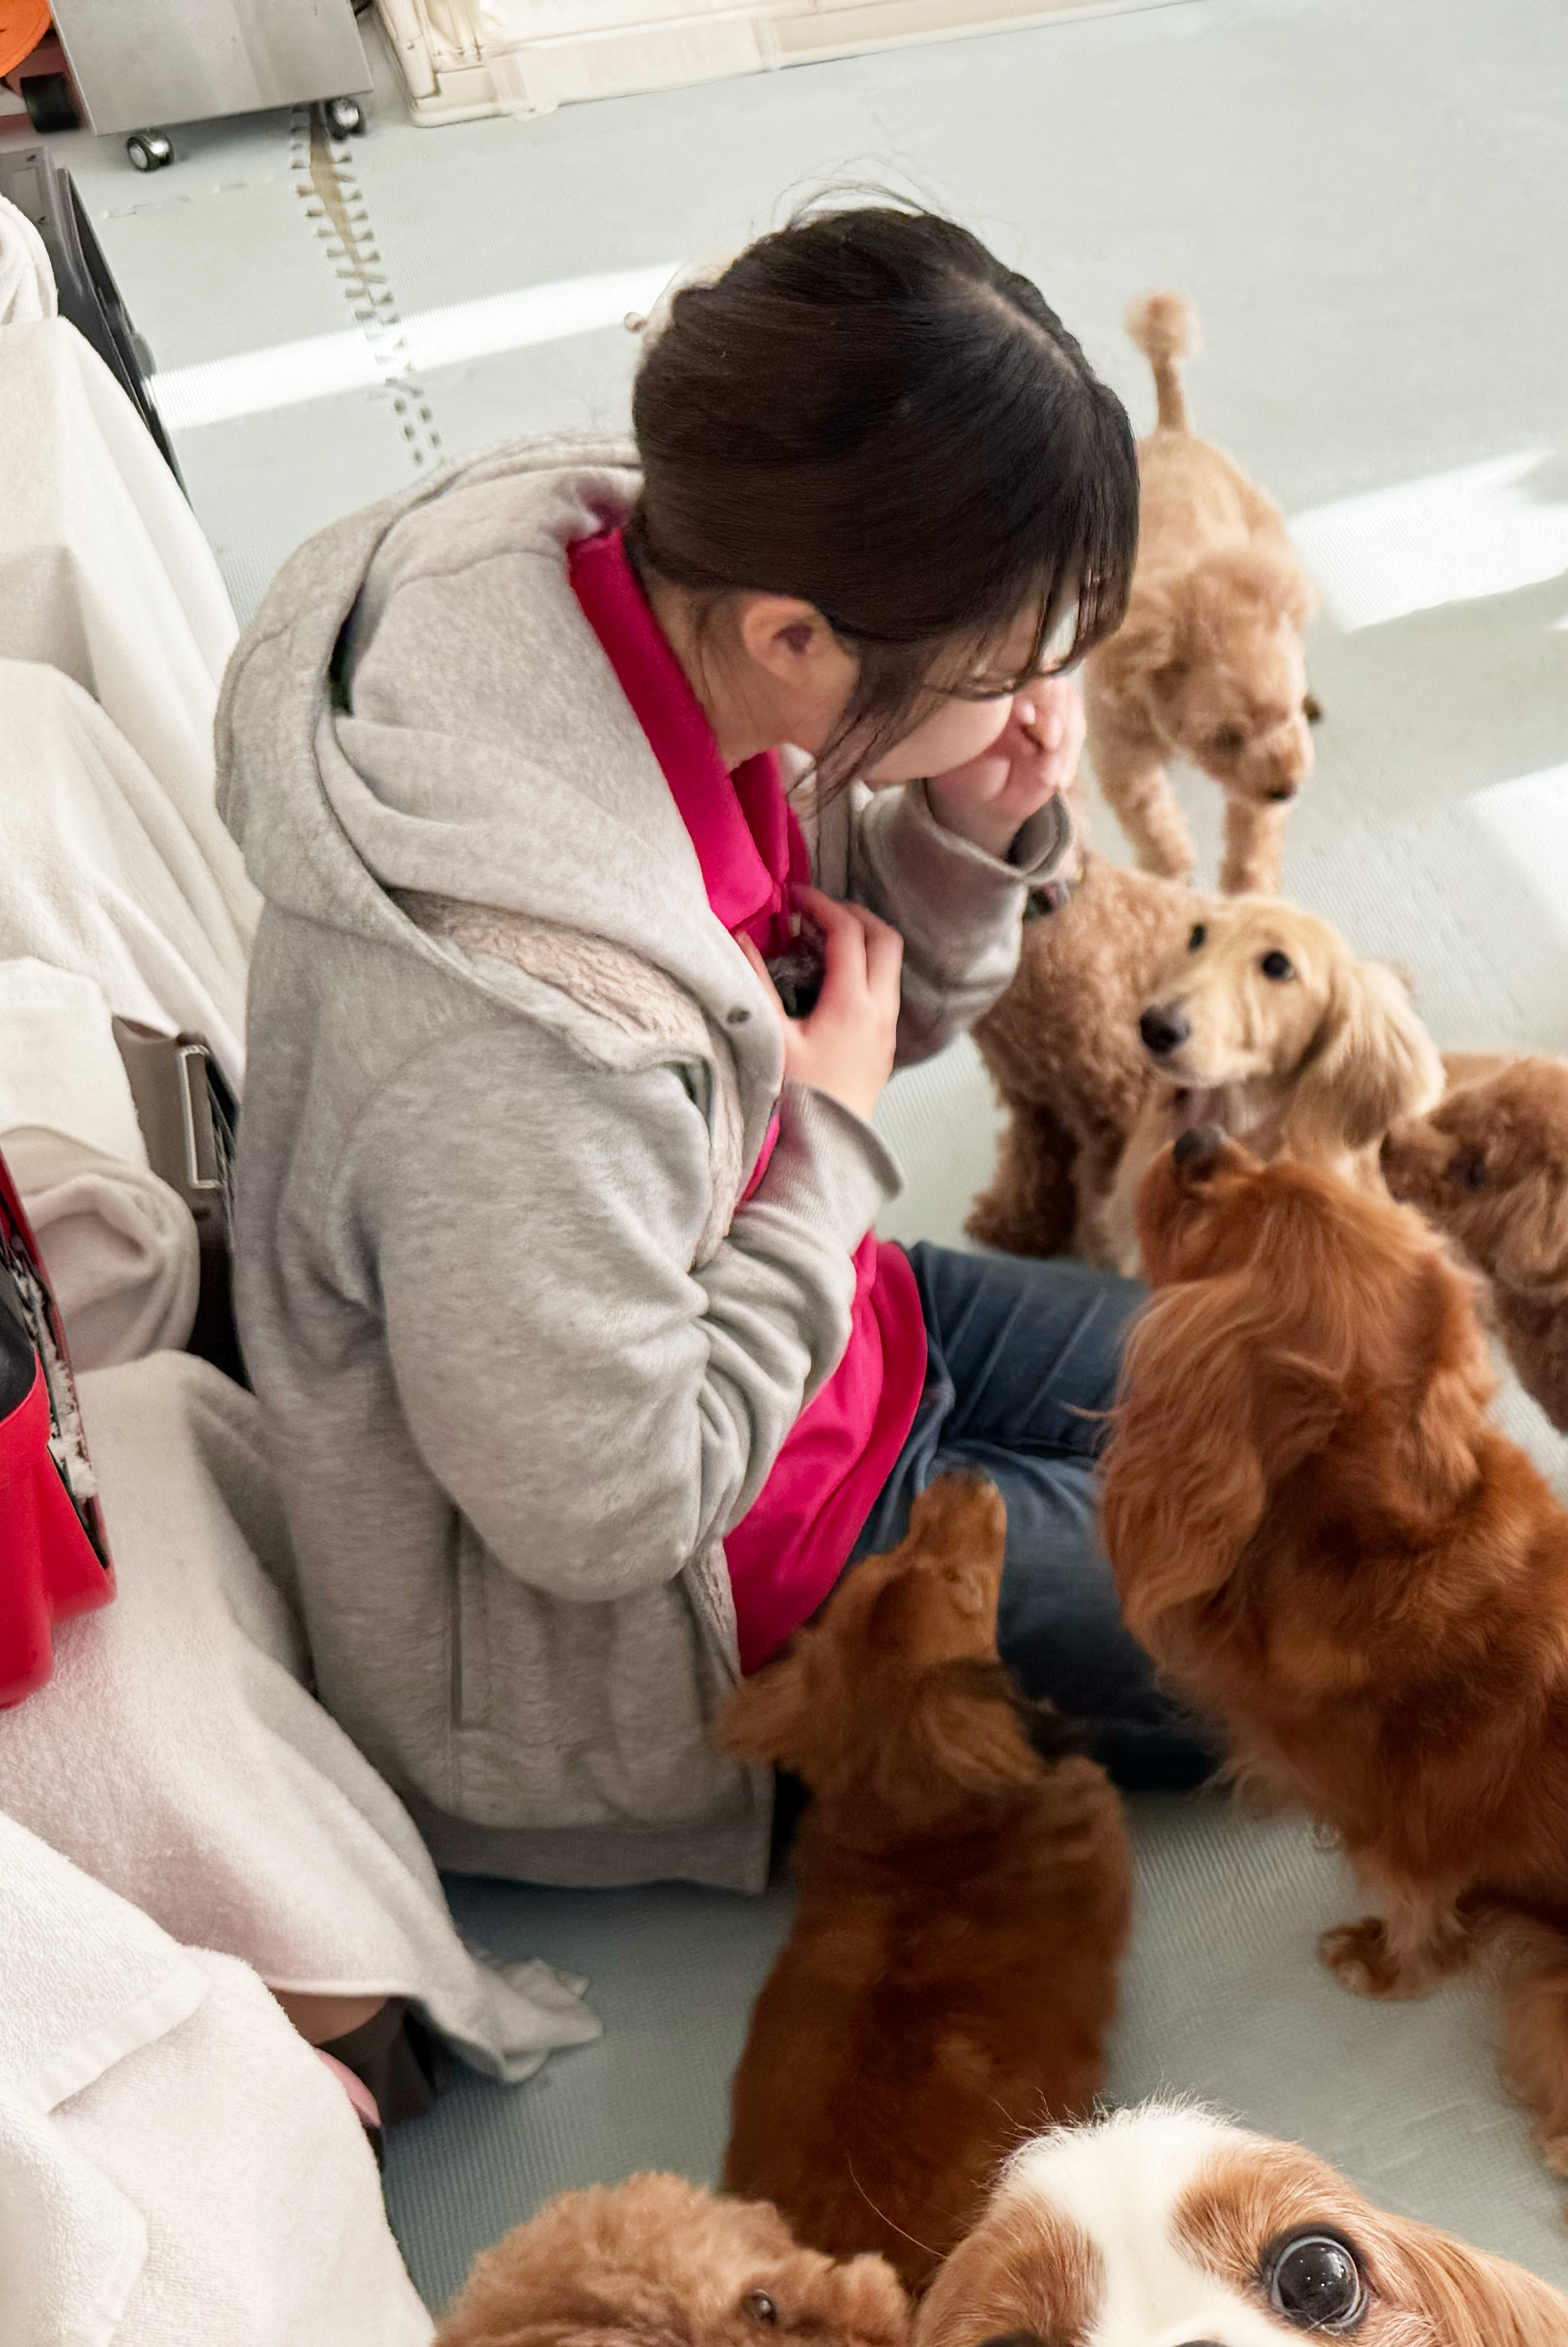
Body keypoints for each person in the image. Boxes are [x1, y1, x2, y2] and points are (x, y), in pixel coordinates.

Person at [218, 206, 1212, 1895]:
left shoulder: (643, 581)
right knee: (1346, 1612)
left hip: (824, 1325)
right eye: (1005, 667)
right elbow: (611, 1512)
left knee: (1318, 1398)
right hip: (702, 1602)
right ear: (797, 637)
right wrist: (821, 1154)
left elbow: (823, 1008)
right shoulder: (506, 1039)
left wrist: (966, 825)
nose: (1047, 704)